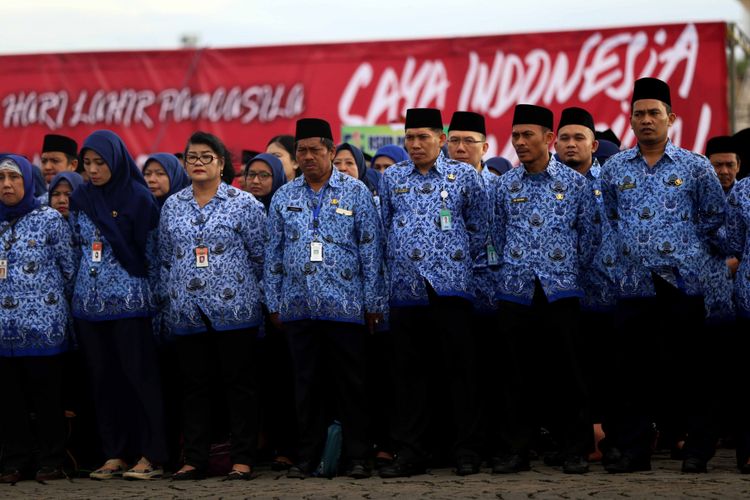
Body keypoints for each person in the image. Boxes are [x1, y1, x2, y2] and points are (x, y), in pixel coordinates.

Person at [599, 77, 727, 474]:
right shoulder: (616, 167)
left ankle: (697, 450)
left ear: (670, 118)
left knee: (693, 370)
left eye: (655, 113)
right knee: (634, 373)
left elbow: (714, 219)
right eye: (639, 113)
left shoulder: (695, 166)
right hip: (634, 284)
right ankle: (636, 451)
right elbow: (611, 220)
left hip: (685, 284)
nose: (646, 120)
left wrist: (697, 260)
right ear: (631, 119)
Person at [264, 118, 386, 480]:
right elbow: (274, 253)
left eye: (316, 149)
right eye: (301, 150)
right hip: (299, 306)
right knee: (306, 386)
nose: (308, 156)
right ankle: (307, 456)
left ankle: (359, 456)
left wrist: (373, 302)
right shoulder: (285, 195)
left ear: (332, 151)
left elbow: (370, 249)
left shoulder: (356, 191)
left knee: (352, 384)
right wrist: (274, 302)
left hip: (347, 307)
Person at [378, 108, 488, 477]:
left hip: (451, 289)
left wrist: (457, 269)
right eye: (409, 138)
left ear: (441, 139)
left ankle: (466, 450)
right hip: (405, 291)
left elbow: (479, 230)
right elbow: (385, 228)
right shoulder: (391, 178)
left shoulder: (464, 177)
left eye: (423, 137)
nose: (415, 144)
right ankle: (411, 452)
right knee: (409, 374)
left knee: (459, 371)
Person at [489, 104, 599, 475]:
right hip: (515, 292)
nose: (519, 142)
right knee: (514, 375)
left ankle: (574, 449)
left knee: (568, 372)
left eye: (527, 135)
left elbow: (589, 238)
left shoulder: (576, 186)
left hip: (561, 291)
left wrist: (567, 273)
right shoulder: (504, 186)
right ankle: (516, 450)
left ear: (549, 139)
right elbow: (495, 237)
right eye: (515, 135)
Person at [158, 131, 266, 481]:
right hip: (187, 312)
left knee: (240, 385)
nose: (199, 163)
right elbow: (164, 258)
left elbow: (260, 256)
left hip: (235, 310)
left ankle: (243, 458)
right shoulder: (173, 205)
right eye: (192, 157)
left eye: (207, 157)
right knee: (194, 387)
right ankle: (194, 459)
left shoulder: (244, 203)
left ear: (222, 163)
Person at [69, 130, 167, 480]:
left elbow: (153, 255)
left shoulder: (139, 198)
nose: (93, 171)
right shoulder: (81, 197)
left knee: (138, 380)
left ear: (117, 160)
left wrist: (158, 303)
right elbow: (76, 249)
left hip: (130, 301)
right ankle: (115, 452)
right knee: (102, 380)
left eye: (101, 163)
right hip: (88, 305)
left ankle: (151, 453)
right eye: (88, 164)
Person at [0, 155, 77, 484]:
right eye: (1, 178)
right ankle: (16, 461)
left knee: (47, 399)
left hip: (45, 327)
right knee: (9, 400)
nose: (6, 185)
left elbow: (69, 270)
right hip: (4, 331)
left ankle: (51, 460)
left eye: (14, 178)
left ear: (28, 181)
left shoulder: (48, 219)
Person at [553, 107, 617, 464]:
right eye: (565, 138)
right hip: (560, 296)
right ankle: (570, 443)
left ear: (594, 144)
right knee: (566, 371)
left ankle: (612, 438)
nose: (572, 145)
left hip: (607, 292)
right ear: (555, 143)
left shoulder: (610, 181)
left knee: (607, 369)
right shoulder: (541, 181)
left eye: (579, 138)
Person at [243, 152, 298, 470]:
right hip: (247, 310)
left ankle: (286, 446)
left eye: (264, 175)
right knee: (255, 382)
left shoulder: (287, 208)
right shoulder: (238, 209)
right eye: (251, 175)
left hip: (279, 309)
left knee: (282, 381)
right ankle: (258, 444)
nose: (256, 181)